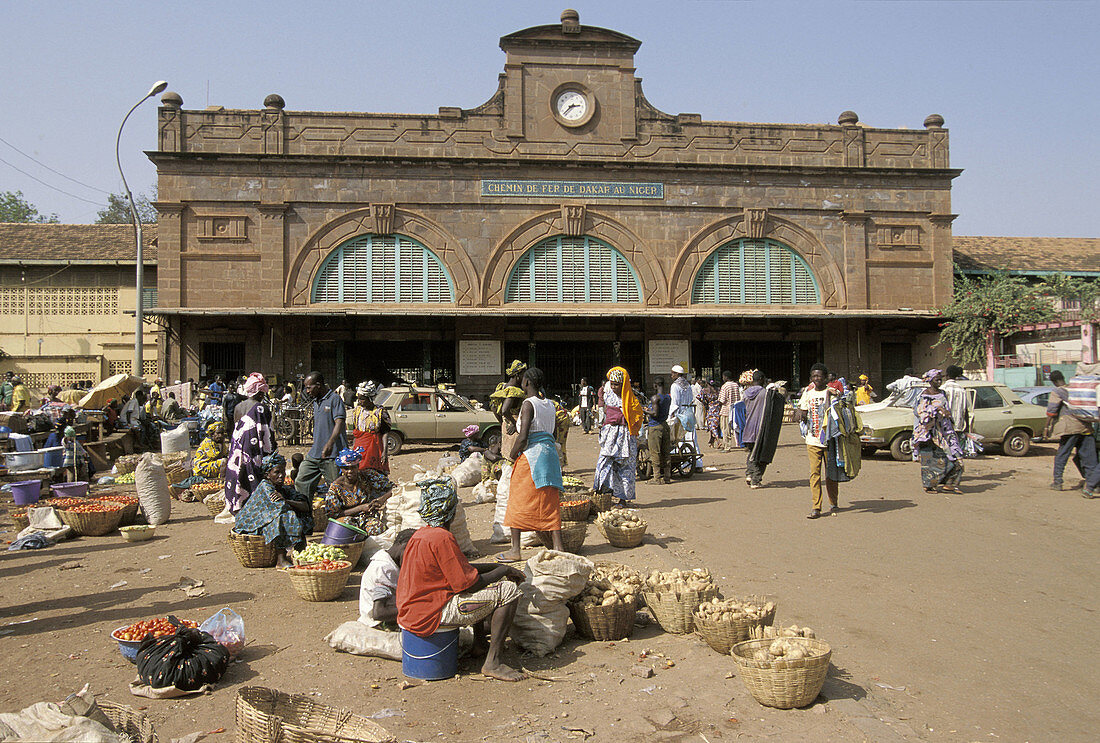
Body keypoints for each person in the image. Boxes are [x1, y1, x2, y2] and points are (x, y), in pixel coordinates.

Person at [397, 481, 526, 681]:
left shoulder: (419, 535)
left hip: (414, 611)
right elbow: (471, 583)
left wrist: (498, 568)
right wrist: (503, 570)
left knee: (484, 584)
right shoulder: (442, 538)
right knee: (507, 590)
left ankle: (480, 644)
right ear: (451, 512)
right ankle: (493, 661)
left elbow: (462, 571)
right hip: (432, 613)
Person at [497, 367, 565, 560]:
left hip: (532, 457)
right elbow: (552, 434)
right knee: (550, 500)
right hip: (550, 456)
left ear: (526, 383)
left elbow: (523, 436)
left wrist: (511, 456)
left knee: (518, 499)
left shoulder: (528, 404)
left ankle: (515, 550)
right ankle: (558, 547)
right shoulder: (551, 404)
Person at [232, 453, 312, 567]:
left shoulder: (283, 488)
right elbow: (279, 507)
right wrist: (287, 503)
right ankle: (281, 559)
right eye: (277, 472)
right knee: (285, 516)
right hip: (252, 525)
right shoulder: (265, 487)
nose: (281, 475)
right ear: (268, 475)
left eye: (283, 472)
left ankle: (300, 553)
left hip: (266, 519)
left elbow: (305, 506)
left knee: (300, 514)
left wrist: (288, 501)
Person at [224, 373, 277, 513]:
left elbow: (236, 428)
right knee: (255, 476)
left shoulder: (238, 407)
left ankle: (239, 506)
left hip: (237, 447)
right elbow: (267, 432)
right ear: (260, 392)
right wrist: (272, 451)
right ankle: (255, 507)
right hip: (253, 449)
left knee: (239, 475)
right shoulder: (261, 408)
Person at [488, 360, 527, 544]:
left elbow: (496, 410)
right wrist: (512, 421)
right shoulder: (513, 391)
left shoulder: (501, 387)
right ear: (518, 375)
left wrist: (503, 422)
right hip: (513, 429)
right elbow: (504, 409)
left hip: (505, 427)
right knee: (514, 457)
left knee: (507, 458)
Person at [595, 366, 645, 508]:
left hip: (625, 437)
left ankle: (623, 499)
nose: (614, 387)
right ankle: (602, 494)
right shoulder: (608, 395)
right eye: (612, 384)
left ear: (623, 385)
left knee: (625, 468)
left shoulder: (631, 399)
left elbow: (637, 416)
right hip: (610, 435)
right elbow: (605, 411)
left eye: (617, 384)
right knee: (604, 463)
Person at [296, 371, 348, 497]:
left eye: (309, 387)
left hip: (332, 454)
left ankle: (341, 514)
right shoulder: (316, 401)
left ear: (318, 385)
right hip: (315, 453)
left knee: (336, 488)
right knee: (301, 481)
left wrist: (330, 444)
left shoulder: (334, 399)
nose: (307, 391)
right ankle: (305, 511)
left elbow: (339, 423)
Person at [1044, 370, 1097, 493]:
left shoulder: (1058, 391)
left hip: (1070, 428)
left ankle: (1058, 482)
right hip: (1086, 427)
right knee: (1089, 458)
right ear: (1063, 377)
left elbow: (1051, 410)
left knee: (1062, 454)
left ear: (1053, 381)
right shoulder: (1075, 389)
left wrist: (1046, 427)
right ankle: (1092, 485)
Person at [912, 369, 964, 493]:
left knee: (956, 458)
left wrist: (947, 413)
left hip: (945, 430)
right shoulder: (924, 394)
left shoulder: (943, 393)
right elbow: (920, 411)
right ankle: (929, 485)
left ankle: (949, 484)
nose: (940, 381)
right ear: (930, 380)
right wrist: (936, 410)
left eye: (941, 379)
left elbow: (947, 409)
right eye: (937, 379)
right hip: (929, 432)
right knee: (930, 460)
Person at [799, 363, 840, 519]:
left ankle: (833, 501)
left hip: (829, 441)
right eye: (814, 376)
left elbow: (836, 414)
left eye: (819, 376)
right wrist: (801, 414)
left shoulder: (833, 393)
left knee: (830, 473)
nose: (817, 379)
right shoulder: (808, 394)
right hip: (812, 440)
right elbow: (802, 412)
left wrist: (830, 398)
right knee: (814, 474)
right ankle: (816, 507)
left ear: (826, 377)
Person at [323, 447, 393, 534]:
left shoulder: (368, 476)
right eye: (346, 468)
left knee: (379, 528)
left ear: (358, 466)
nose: (350, 471)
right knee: (348, 530)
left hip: (367, 518)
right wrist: (360, 508)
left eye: (353, 468)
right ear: (341, 469)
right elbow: (333, 514)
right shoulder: (336, 488)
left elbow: (394, 488)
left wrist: (381, 499)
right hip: (347, 520)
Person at [359, 528, 416, 628]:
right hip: (379, 623)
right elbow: (379, 613)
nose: (411, 557)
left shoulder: (390, 561)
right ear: (400, 544)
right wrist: (415, 610)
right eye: (409, 551)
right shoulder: (384, 568)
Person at [350, 381, 390, 474]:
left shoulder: (380, 412)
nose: (359, 401)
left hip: (375, 447)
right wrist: (353, 448)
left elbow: (385, 433)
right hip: (360, 447)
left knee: (375, 472)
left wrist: (385, 452)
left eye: (362, 399)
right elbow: (356, 433)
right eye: (358, 398)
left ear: (370, 398)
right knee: (359, 472)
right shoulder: (357, 412)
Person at [645, 377, 672, 484]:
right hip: (664, 425)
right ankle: (667, 476)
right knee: (666, 452)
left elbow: (655, 414)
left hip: (655, 427)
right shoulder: (667, 398)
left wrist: (645, 411)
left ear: (655, 385)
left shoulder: (655, 398)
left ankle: (656, 477)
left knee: (655, 452)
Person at [667, 365, 696, 446]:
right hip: (688, 412)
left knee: (678, 435)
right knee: (689, 436)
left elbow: (674, 402)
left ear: (677, 374)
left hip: (679, 414)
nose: (671, 375)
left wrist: (671, 414)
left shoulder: (675, 386)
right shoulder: (688, 385)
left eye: (673, 373)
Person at [717, 371, 741, 452]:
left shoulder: (725, 386)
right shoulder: (736, 385)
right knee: (732, 428)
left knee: (725, 429)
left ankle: (727, 446)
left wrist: (718, 403)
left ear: (726, 377)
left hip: (726, 410)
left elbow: (722, 400)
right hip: (734, 409)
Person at [701, 380, 722, 448]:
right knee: (715, 426)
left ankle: (718, 440)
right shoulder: (718, 391)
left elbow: (699, 397)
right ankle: (711, 442)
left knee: (712, 427)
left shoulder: (705, 390)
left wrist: (705, 403)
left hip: (710, 410)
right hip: (718, 410)